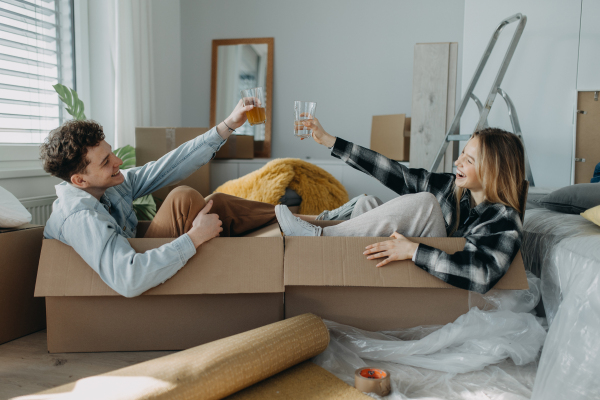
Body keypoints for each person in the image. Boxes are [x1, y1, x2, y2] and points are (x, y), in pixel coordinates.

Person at [41, 101, 277, 298]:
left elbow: (169, 167)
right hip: (117, 298)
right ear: (79, 181)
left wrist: (228, 126)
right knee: (183, 198)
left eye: (111, 152)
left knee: (215, 202)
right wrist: (194, 238)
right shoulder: (79, 217)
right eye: (106, 162)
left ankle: (295, 221)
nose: (118, 161)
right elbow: (128, 279)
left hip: (144, 275)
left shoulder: (110, 185)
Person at [275, 118, 526, 294]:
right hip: (415, 275)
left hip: (448, 293)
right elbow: (396, 173)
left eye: (468, 160)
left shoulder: (504, 220)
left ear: (492, 171)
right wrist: (331, 141)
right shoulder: (454, 189)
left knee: (426, 203)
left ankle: (319, 236)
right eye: (461, 154)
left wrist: (414, 251)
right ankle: (335, 272)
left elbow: (481, 275)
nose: (457, 162)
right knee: (368, 203)